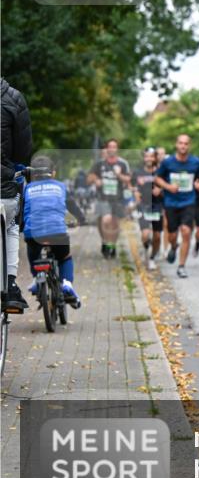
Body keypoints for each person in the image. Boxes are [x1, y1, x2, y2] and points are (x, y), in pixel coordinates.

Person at [22, 155, 86, 308]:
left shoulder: (27, 189)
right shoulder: (60, 186)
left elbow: (22, 211)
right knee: (65, 257)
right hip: (57, 232)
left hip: (34, 233)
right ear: (54, 173)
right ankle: (67, 283)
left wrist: (20, 227)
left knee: (33, 252)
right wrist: (81, 219)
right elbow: (72, 206)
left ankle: (37, 278)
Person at [1, 78, 33, 313]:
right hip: (3, 186)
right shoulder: (13, 98)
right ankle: (10, 285)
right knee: (11, 224)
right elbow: (22, 150)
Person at [155, 134, 199, 279]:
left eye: (186, 143)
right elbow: (157, 178)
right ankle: (173, 246)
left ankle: (181, 266)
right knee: (172, 235)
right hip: (171, 203)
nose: (183, 146)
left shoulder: (195, 162)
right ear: (176, 145)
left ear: (189, 146)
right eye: (180, 143)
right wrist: (168, 186)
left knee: (185, 231)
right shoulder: (168, 162)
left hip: (188, 202)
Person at [87, 139, 131, 259]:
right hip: (103, 198)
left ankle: (112, 245)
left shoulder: (123, 164)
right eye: (109, 147)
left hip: (118, 198)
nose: (111, 149)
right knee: (105, 221)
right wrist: (96, 180)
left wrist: (118, 175)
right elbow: (89, 178)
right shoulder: (99, 164)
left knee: (115, 224)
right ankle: (106, 243)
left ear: (117, 149)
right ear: (107, 149)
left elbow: (128, 180)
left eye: (114, 146)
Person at [132, 147, 164, 270]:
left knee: (157, 236)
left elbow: (168, 186)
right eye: (147, 156)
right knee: (145, 234)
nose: (149, 158)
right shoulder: (138, 172)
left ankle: (152, 258)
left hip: (157, 206)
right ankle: (146, 248)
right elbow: (132, 186)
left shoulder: (161, 172)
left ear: (155, 158)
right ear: (143, 157)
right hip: (144, 206)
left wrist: (160, 190)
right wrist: (135, 192)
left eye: (152, 156)